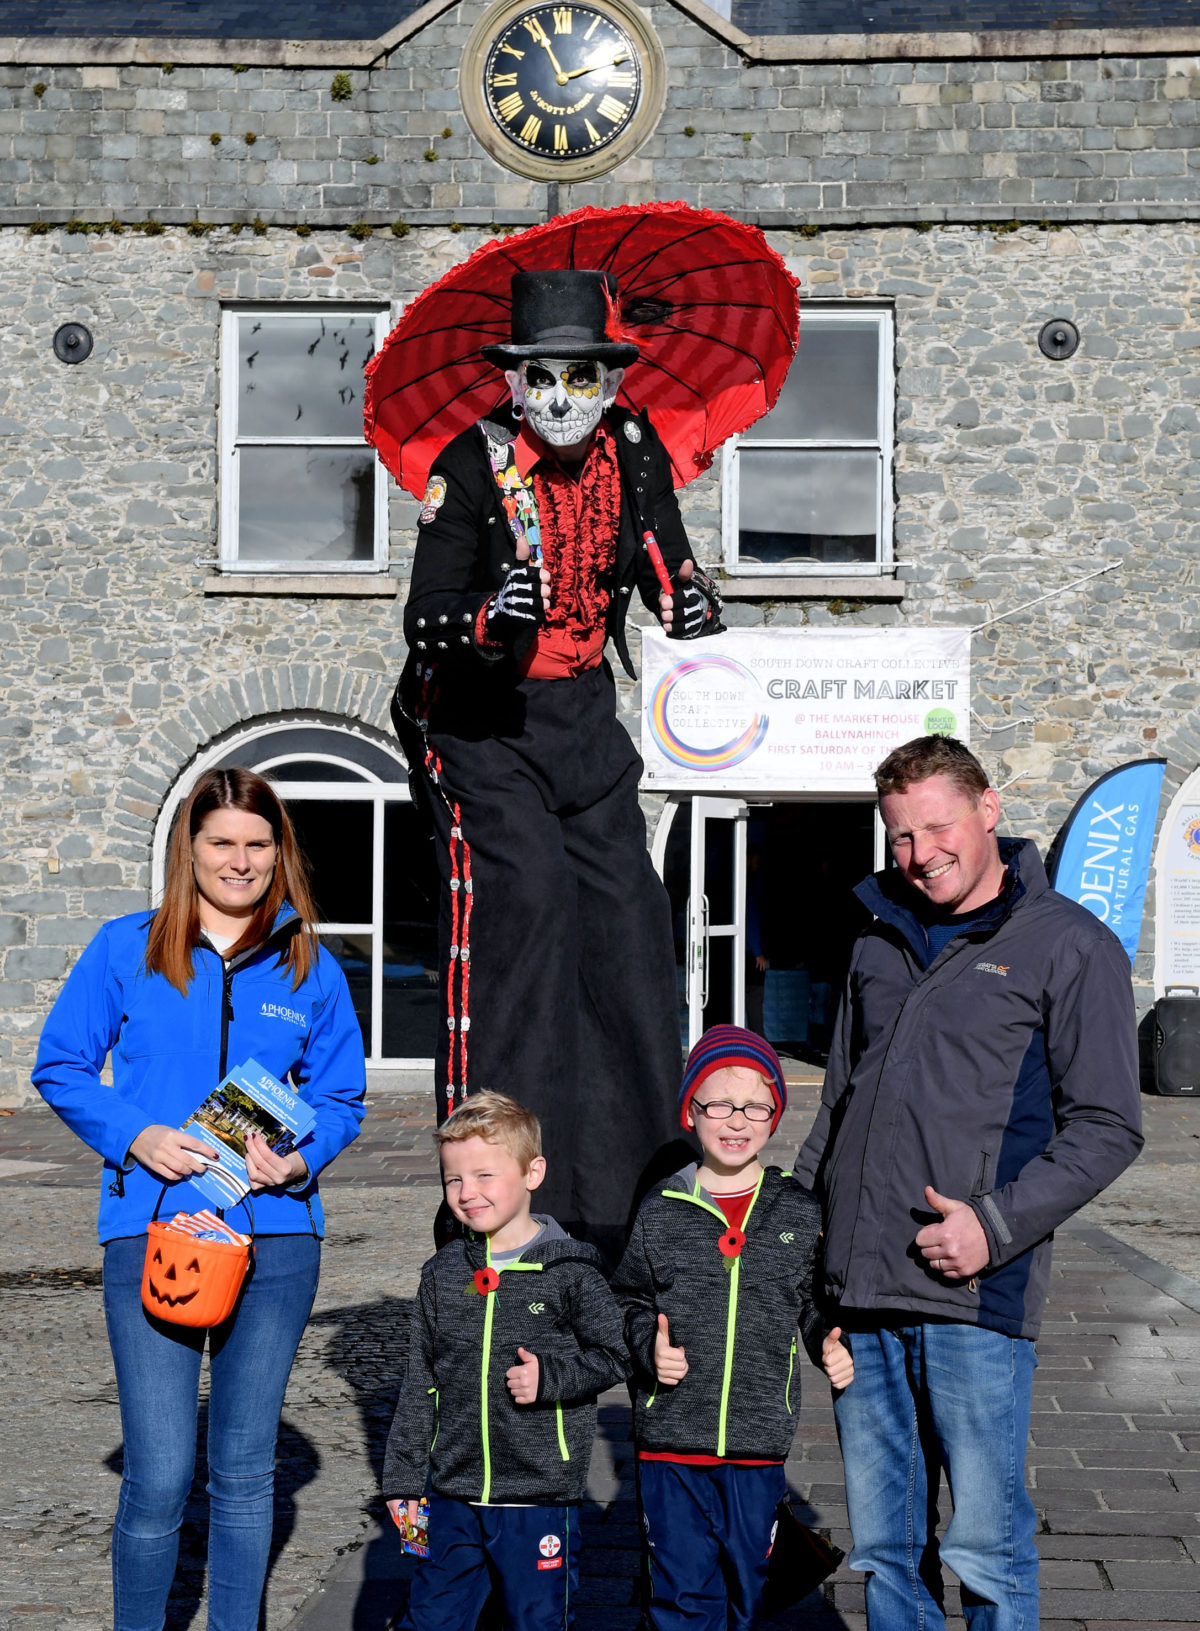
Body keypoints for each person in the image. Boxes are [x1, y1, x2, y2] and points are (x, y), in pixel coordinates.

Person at [391, 267, 722, 1261]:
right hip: (483, 729)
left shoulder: (633, 451)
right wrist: (491, 615)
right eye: (544, 379)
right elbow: (425, 615)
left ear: (615, 379)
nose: (564, 397)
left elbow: (667, 560)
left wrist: (690, 601)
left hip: (584, 719)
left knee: (627, 916)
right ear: (515, 380)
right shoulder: (471, 464)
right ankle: (489, 1183)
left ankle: (632, 1189)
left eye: (584, 375)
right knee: (526, 906)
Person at [794, 736, 1144, 1630]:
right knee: (884, 1550)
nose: (919, 854)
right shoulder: (875, 936)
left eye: (936, 826)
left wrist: (993, 1225)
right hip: (860, 1298)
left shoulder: (1070, 946)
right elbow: (837, 1107)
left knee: (986, 1548)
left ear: (989, 810)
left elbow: (1108, 1126)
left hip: (974, 1296)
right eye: (900, 836)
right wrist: (803, 1258)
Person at [32, 767, 367, 1631]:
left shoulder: (312, 968)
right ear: (191, 848)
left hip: (278, 1242)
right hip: (153, 1231)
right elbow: (61, 1064)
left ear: (278, 853)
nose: (241, 860)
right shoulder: (126, 948)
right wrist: (136, 1136)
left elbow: (342, 1099)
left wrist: (298, 1163)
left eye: (258, 843)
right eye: (222, 840)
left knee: (247, 1471)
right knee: (159, 1474)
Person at [612, 1025, 854, 1631]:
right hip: (669, 1444)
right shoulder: (661, 1208)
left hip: (758, 1446)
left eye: (755, 1105)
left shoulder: (796, 1208)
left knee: (750, 1589)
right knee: (680, 1593)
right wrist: (647, 1347)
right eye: (718, 1102)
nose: (736, 1118)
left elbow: (808, 1297)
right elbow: (628, 1298)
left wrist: (826, 1338)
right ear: (690, 1112)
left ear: (775, 1116)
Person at [382, 1092, 628, 1631]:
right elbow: (420, 1378)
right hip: (447, 1498)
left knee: (537, 1620)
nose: (467, 1193)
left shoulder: (571, 1270)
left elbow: (616, 1354)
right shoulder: (442, 1274)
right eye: (453, 1180)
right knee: (430, 1618)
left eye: (484, 1176)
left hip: (540, 1499)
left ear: (532, 1172)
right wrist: (403, 1482)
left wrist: (552, 1378)